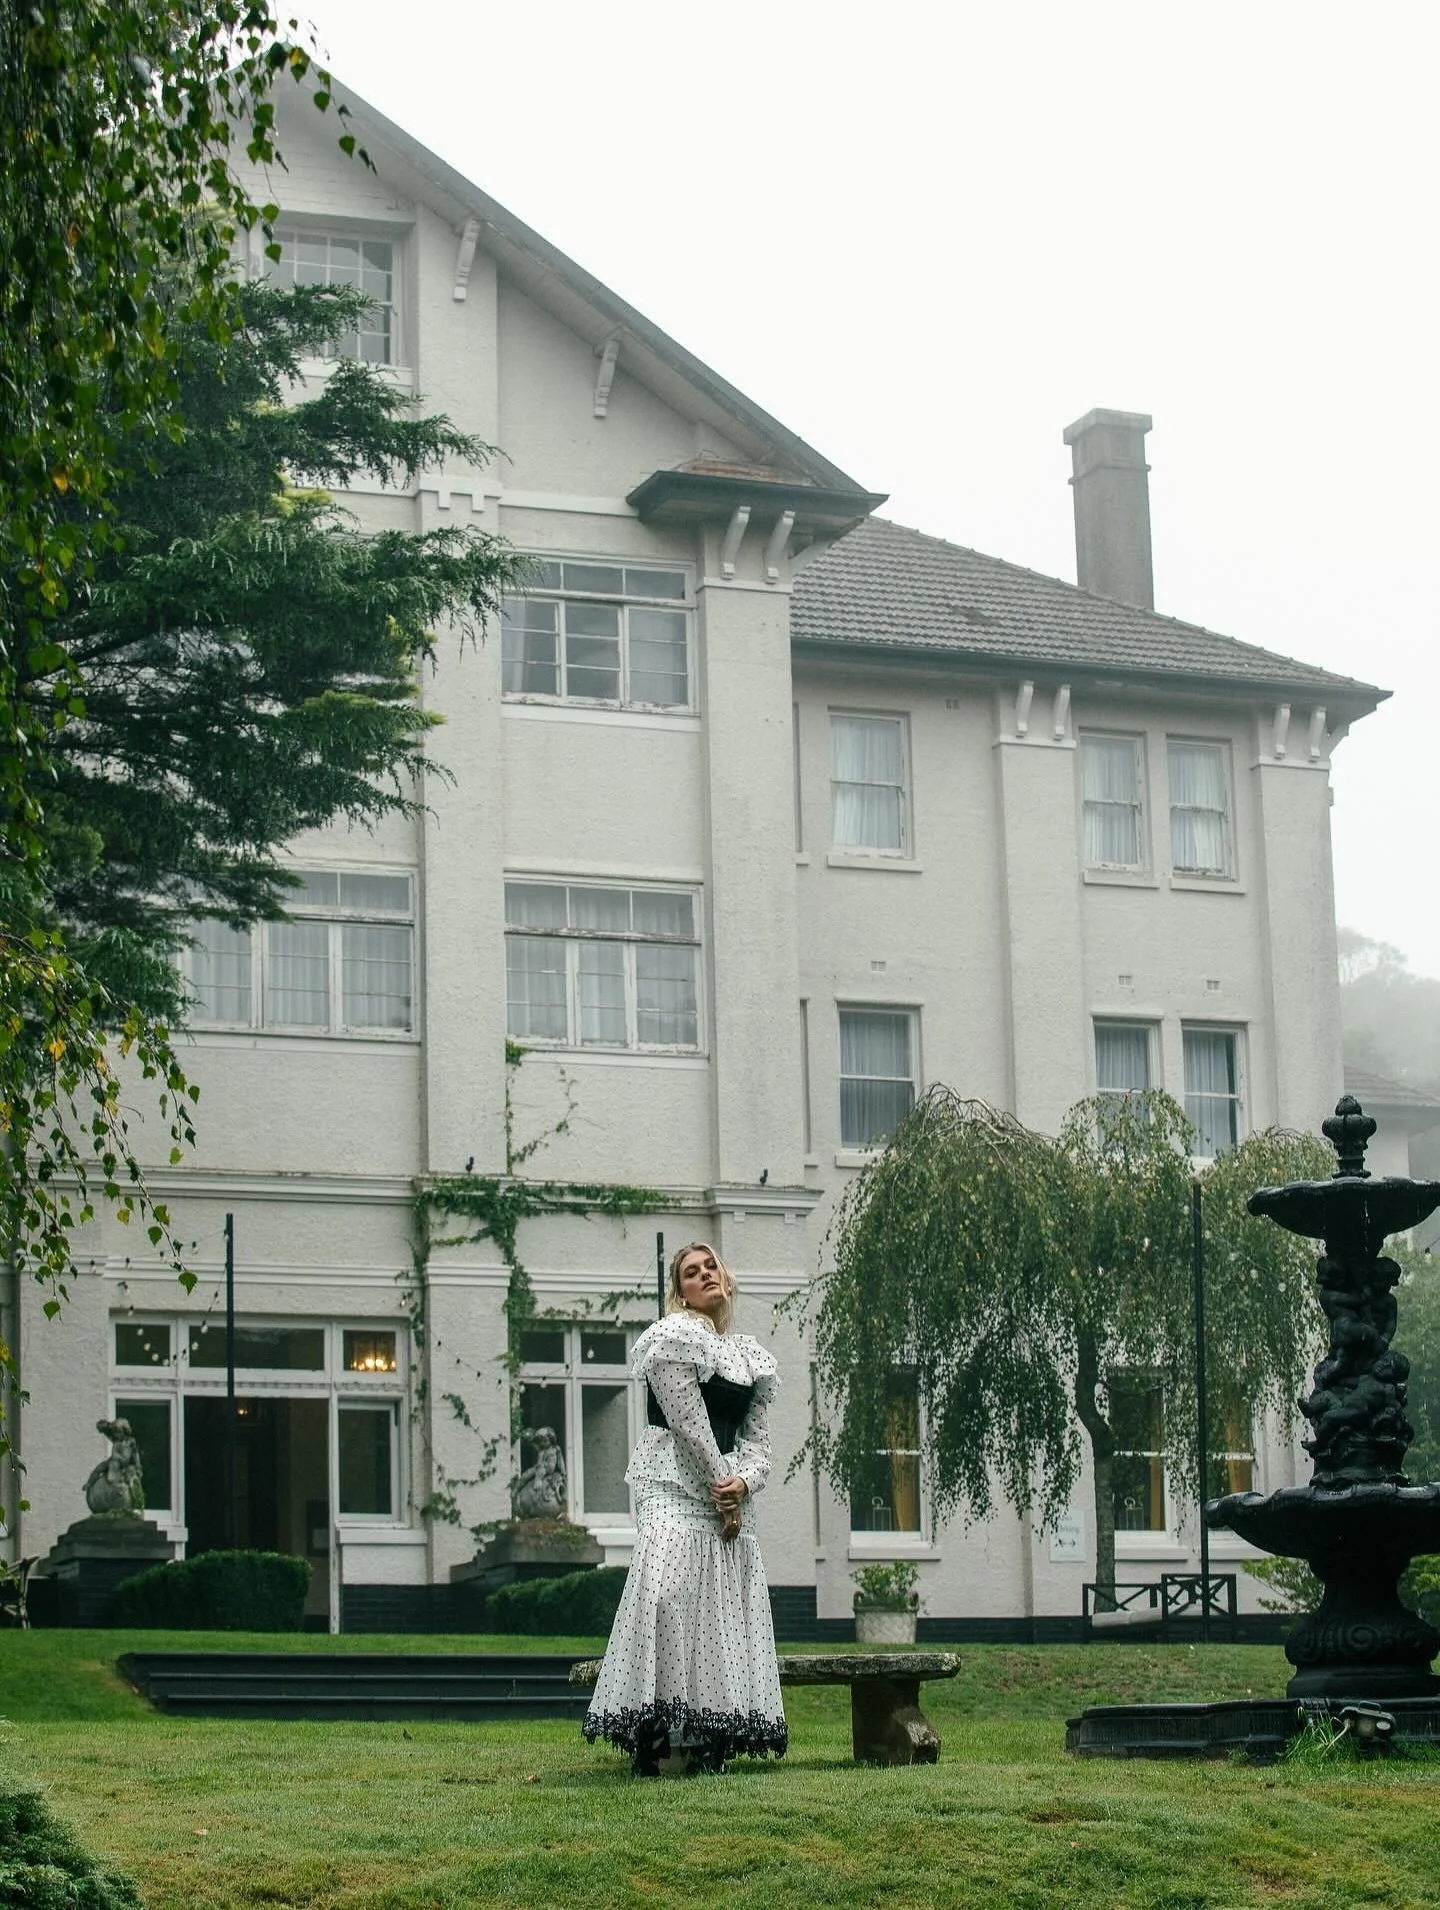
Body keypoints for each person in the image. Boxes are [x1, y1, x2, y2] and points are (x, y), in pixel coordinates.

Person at [583, 1241, 787, 1776]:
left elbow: (759, 1442)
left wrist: (744, 1483)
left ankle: (707, 1735)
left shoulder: (752, 1358)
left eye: (710, 1267)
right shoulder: (674, 1338)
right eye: (691, 1274)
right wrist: (727, 1493)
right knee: (668, 1592)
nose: (704, 1276)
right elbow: (690, 1426)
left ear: (726, 1277)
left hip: (728, 1499)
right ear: (680, 1292)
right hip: (671, 1485)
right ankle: (653, 1735)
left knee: (718, 1609)